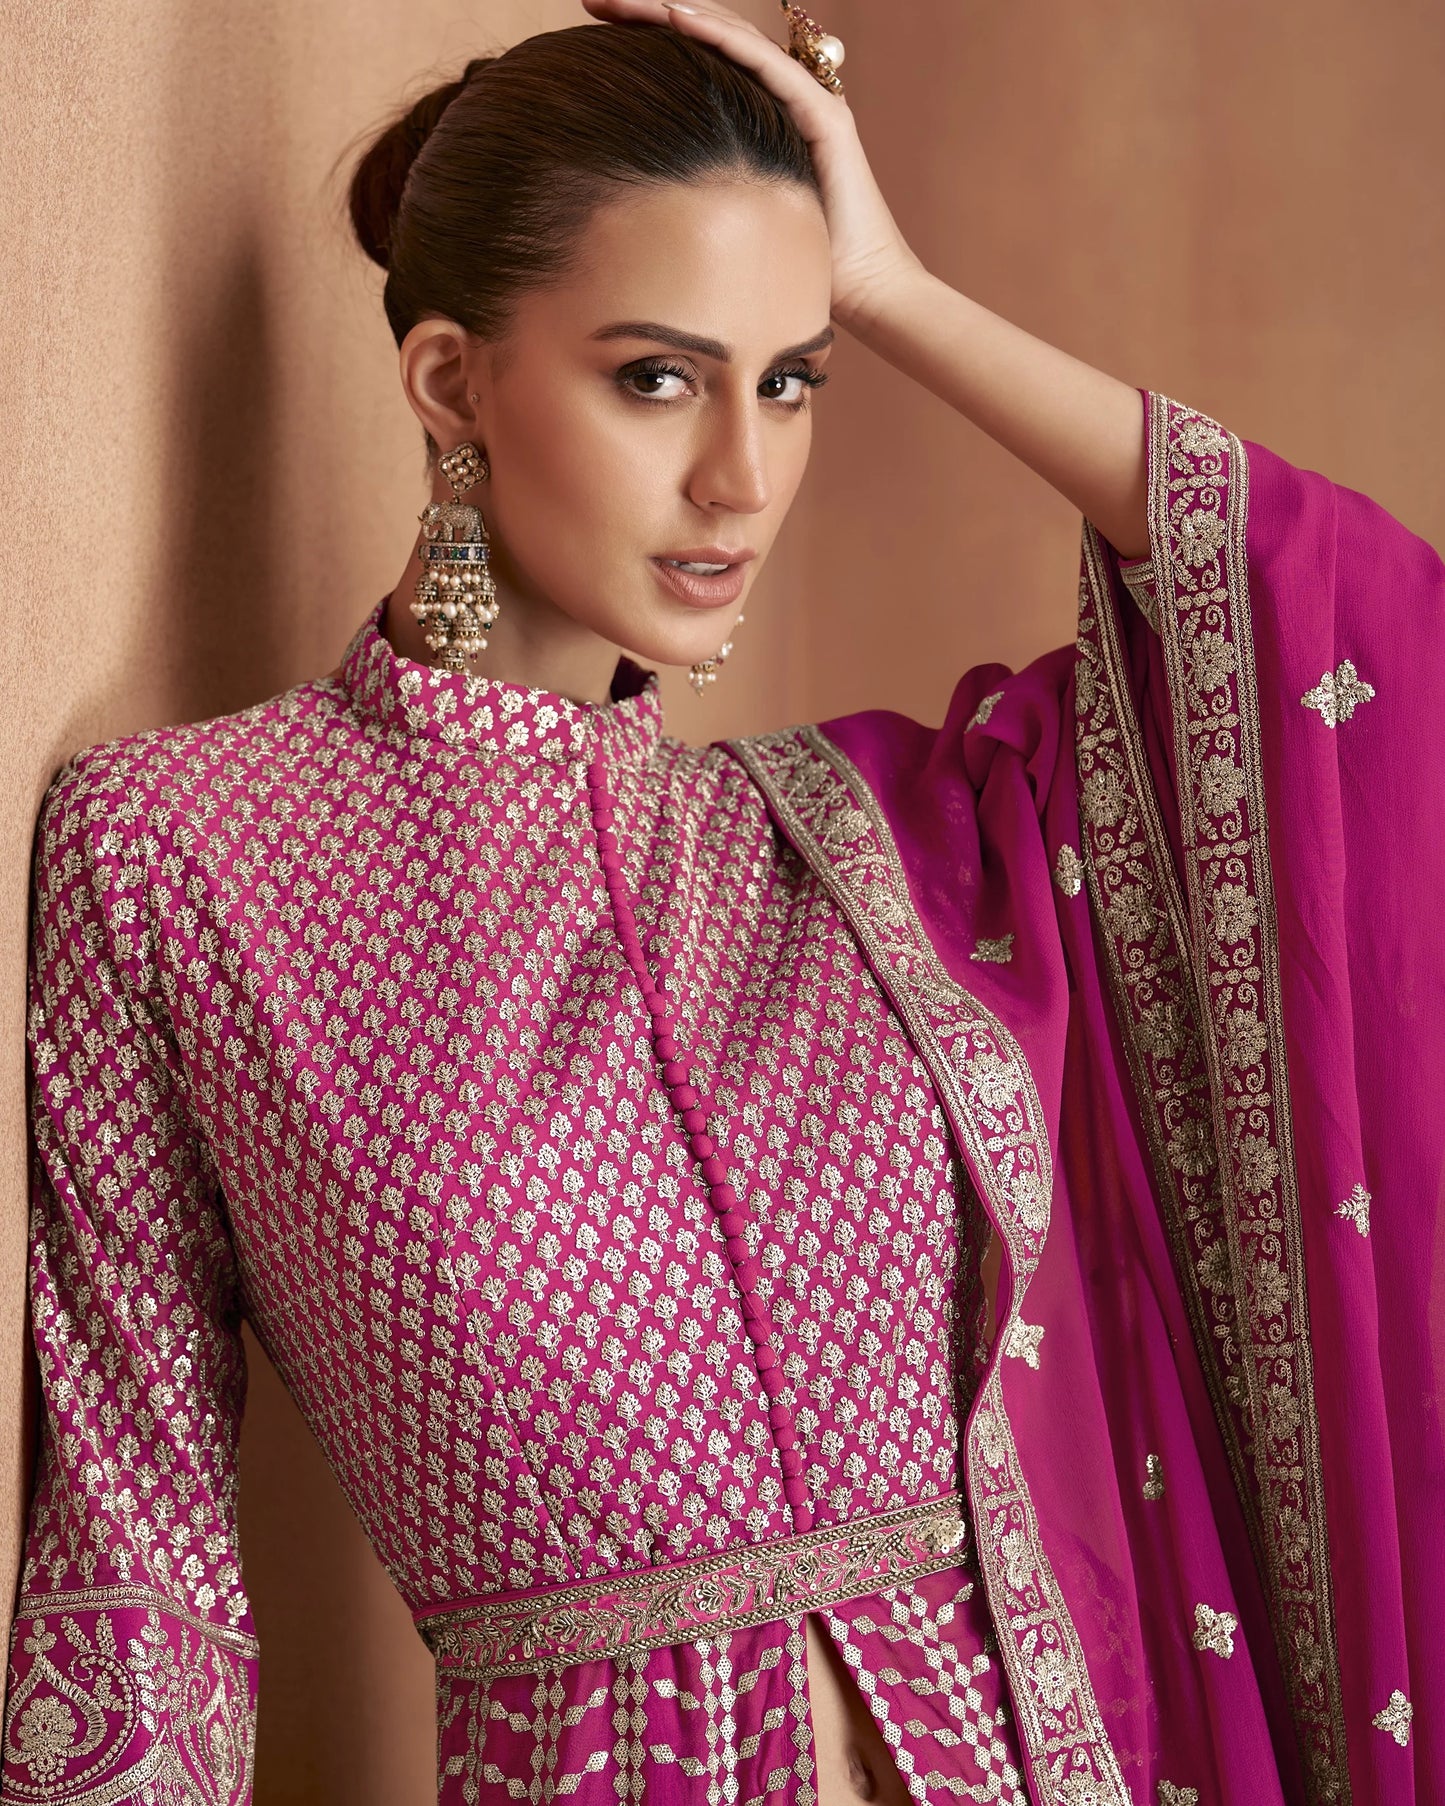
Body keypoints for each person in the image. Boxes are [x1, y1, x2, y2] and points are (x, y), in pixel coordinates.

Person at [1, 0, 1438, 1801]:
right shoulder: (180, 855)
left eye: (790, 379)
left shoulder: (882, 849)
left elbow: (1329, 646)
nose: (740, 479)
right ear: (452, 383)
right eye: (656, 377)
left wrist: (894, 286)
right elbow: (142, 1556)